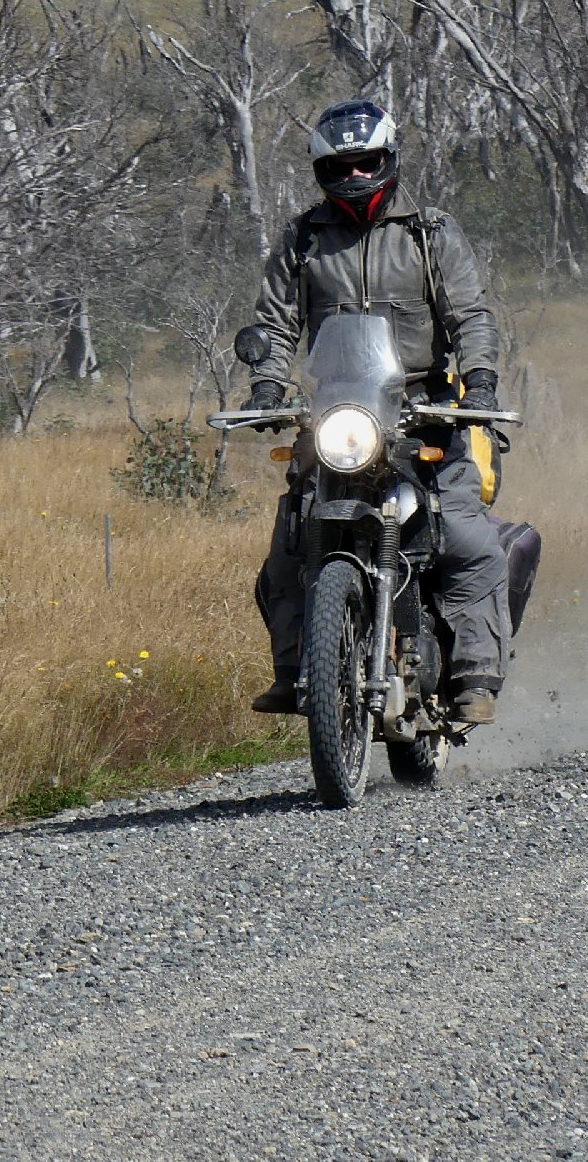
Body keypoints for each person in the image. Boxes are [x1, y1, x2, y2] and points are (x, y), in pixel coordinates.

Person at [244, 99, 514, 725]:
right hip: (338, 414)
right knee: (288, 547)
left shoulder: (429, 233)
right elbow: (275, 324)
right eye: (343, 166)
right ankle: (297, 670)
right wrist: (266, 386)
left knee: (468, 541)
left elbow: (470, 316)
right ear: (323, 170)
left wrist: (479, 384)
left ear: (389, 160)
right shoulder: (303, 238)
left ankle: (475, 675)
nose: (356, 175)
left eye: (367, 163)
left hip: (425, 410)